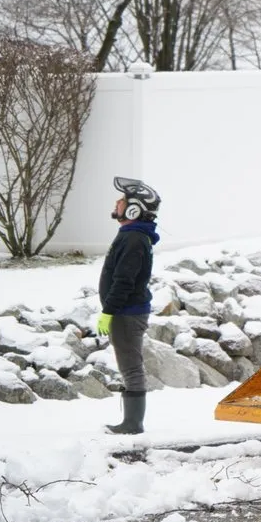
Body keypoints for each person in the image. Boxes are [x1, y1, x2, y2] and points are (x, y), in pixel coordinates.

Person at [97, 176, 161, 435]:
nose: (117, 202)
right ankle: (130, 422)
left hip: (127, 313)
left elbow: (124, 280)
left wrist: (108, 311)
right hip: (125, 311)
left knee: (130, 365)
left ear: (133, 209)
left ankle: (133, 423)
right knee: (128, 363)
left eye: (122, 200)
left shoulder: (134, 238)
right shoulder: (131, 235)